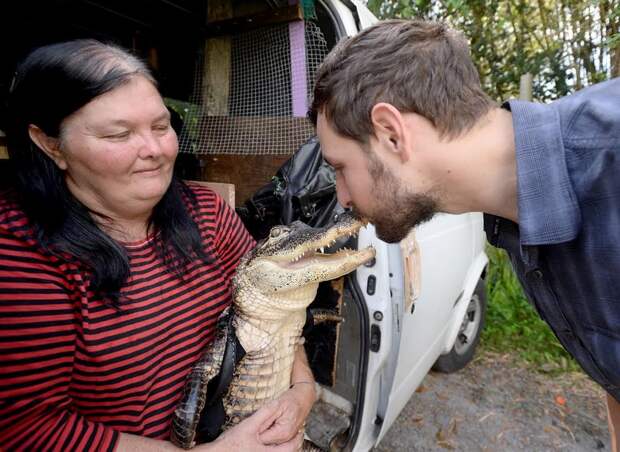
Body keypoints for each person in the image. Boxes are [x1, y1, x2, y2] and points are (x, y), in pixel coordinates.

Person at [309, 18, 620, 450]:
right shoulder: (515, 215)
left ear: (391, 133)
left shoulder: (611, 156)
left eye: (340, 167)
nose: (340, 196)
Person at [0, 39, 315, 451]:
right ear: (51, 144)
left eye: (161, 126)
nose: (155, 150)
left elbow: (275, 309)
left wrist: (302, 389)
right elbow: (26, 429)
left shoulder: (207, 213)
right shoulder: (19, 255)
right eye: (119, 134)